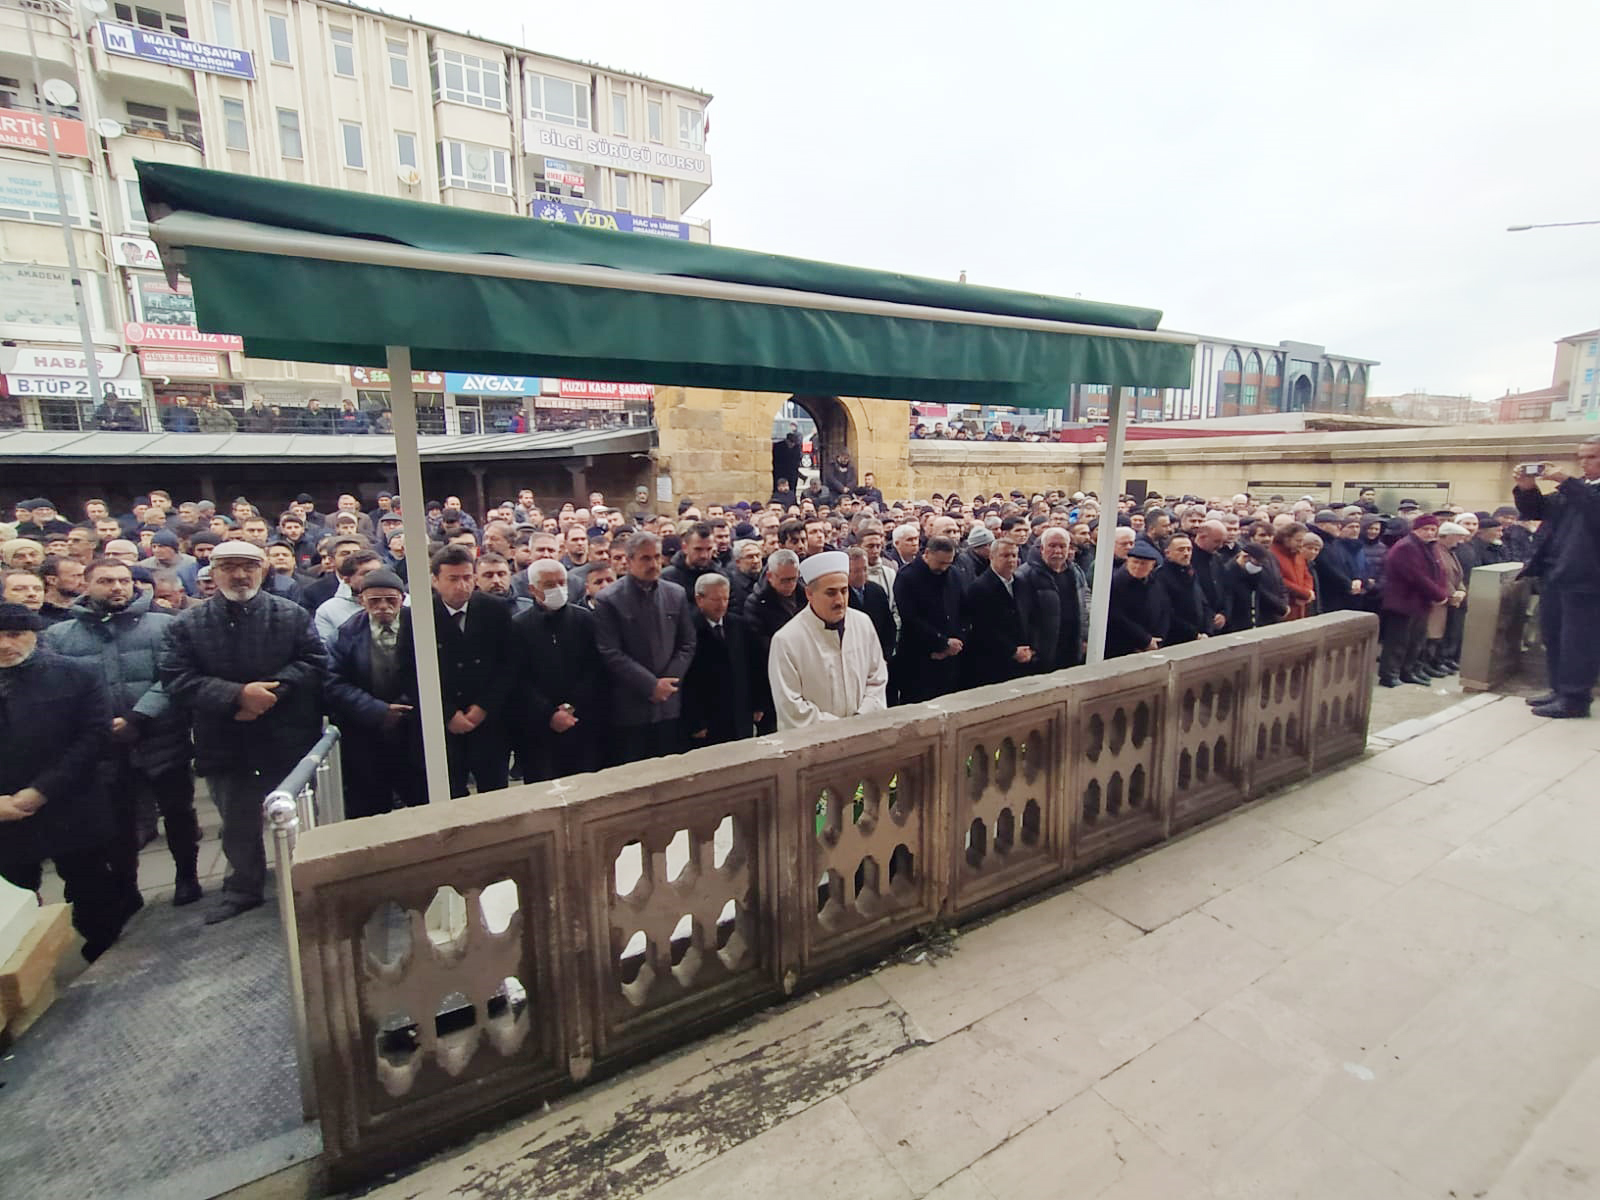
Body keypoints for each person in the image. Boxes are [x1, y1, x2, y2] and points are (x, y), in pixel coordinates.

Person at [159, 541, 327, 923]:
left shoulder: (291, 615)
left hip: (286, 736)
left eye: (248, 566)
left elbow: (314, 662)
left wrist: (269, 694)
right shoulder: (187, 624)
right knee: (236, 823)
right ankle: (244, 889)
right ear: (213, 572)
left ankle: (307, 884)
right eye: (229, 567)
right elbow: (176, 678)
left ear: (263, 569)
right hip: (225, 738)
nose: (239, 575)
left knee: (298, 821)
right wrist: (236, 696)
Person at [46, 558, 202, 907]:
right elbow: (61, 689)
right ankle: (127, 888)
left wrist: (138, 716)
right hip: (104, 744)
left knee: (177, 812)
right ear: (87, 585)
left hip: (161, 736)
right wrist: (101, 724)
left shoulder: (164, 624)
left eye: (123, 580)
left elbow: (173, 676)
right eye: (106, 581)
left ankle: (187, 877)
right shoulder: (60, 636)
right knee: (118, 822)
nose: (117, 587)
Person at [0, 603, 126, 961]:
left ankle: (104, 951)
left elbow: (94, 737)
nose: (5, 644)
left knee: (90, 883)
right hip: (4, 812)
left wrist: (41, 791)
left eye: (14, 634)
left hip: (71, 800)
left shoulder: (77, 674)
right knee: (13, 891)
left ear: (34, 635)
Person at [323, 568, 424, 817]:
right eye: (374, 601)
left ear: (402, 599)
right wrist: (377, 710)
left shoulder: (421, 625)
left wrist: (406, 705)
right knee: (370, 803)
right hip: (366, 730)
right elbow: (333, 682)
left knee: (422, 798)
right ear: (361, 601)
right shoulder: (346, 634)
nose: (383, 607)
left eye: (391, 600)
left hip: (416, 728)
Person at [593, 531, 697, 764]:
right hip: (631, 708)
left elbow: (687, 643)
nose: (653, 564)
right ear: (629, 561)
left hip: (669, 703)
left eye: (657, 557)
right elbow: (610, 652)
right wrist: (650, 685)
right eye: (645, 558)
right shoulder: (609, 600)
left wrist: (668, 682)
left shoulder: (675, 593)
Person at [1514, 439, 1600, 717]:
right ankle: (1559, 689)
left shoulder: (1580, 490)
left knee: (1579, 641)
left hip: (1586, 578)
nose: (1584, 463)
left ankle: (1576, 698)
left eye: (1592, 457)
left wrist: (1566, 481)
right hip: (1556, 571)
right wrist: (1527, 489)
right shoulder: (1579, 488)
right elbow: (1537, 511)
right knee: (1554, 635)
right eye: (1581, 457)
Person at [508, 559, 606, 780]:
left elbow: (594, 669)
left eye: (561, 583)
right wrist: (549, 713)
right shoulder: (518, 626)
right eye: (549, 585)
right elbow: (518, 679)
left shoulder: (585, 620)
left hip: (581, 721)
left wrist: (571, 707)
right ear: (533, 589)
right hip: (539, 728)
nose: (558, 589)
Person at [428, 546, 514, 796]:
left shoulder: (494, 610)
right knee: (451, 795)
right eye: (453, 579)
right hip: (445, 724)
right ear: (435, 580)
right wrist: (447, 713)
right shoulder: (419, 615)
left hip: (489, 720)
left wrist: (483, 707)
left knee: (495, 794)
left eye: (467, 577)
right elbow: (410, 671)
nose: (462, 586)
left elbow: (508, 664)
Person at [768, 551, 888, 729]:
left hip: (864, 731)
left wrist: (861, 717)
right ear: (809, 593)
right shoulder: (786, 640)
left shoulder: (863, 623)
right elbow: (791, 705)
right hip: (816, 743)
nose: (840, 600)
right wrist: (839, 727)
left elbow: (877, 678)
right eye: (831, 593)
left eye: (844, 590)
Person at [680, 572, 761, 746]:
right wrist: (695, 721)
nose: (722, 605)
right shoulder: (689, 631)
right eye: (716, 600)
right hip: (710, 718)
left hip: (740, 711)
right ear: (699, 599)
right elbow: (688, 681)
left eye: (725, 599)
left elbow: (754, 667)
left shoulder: (739, 625)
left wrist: (758, 704)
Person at [1377, 515, 1450, 688]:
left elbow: (1439, 572)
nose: (1429, 532)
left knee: (1416, 640)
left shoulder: (1429, 547)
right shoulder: (1406, 547)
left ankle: (1408, 671)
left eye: (1433, 529)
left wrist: (1441, 591)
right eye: (1425, 529)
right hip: (1403, 601)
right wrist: (1438, 595)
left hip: (1419, 602)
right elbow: (1417, 576)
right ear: (1415, 529)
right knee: (1398, 641)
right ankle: (1390, 674)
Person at [893, 535, 965, 703]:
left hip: (951, 655)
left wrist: (956, 641)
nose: (944, 568)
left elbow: (962, 609)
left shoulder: (953, 574)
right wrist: (942, 643)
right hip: (919, 657)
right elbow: (911, 618)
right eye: (940, 563)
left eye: (948, 563)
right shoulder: (907, 577)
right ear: (926, 553)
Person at [960, 537, 1039, 687]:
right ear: (992, 557)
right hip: (994, 661)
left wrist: (1031, 647)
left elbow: (1031, 617)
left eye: (1014, 556)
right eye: (1005, 555)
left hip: (1024, 656)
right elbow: (983, 628)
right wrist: (1012, 651)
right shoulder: (979, 588)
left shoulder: (1022, 583)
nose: (1011, 560)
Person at [1020, 527, 1082, 672]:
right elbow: (1022, 615)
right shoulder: (1026, 575)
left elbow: (1084, 604)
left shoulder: (1075, 572)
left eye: (1062, 546)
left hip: (1070, 645)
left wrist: (1083, 637)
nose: (1058, 551)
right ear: (1042, 548)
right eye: (1052, 546)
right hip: (1042, 651)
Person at [1105, 542, 1166, 658]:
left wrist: (1158, 639)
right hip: (1125, 646)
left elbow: (1165, 610)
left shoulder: (1155, 582)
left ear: (1152, 565)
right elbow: (1117, 617)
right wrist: (1145, 640)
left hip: (1153, 643)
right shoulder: (1116, 583)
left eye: (1143, 564)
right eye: (1135, 562)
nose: (1138, 567)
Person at [1153, 532, 1211, 645]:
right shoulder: (1160, 576)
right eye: (1181, 550)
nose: (1186, 553)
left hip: (1200, 635)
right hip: (1176, 638)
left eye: (1189, 549)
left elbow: (1202, 601)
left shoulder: (1191, 572)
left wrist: (1208, 629)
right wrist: (1194, 634)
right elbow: (1167, 612)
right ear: (1168, 553)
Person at [846, 547, 897, 664]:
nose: (862, 574)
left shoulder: (876, 590)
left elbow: (889, 626)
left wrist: (885, 655)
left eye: (864, 569)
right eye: (856, 571)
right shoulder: (842, 595)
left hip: (879, 657)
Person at [1269, 523, 1316, 621]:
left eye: (1303, 541)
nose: (1301, 544)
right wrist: (1303, 594)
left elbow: (1307, 575)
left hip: (1301, 606)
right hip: (1286, 608)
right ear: (1286, 539)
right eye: (1298, 541)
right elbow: (1280, 580)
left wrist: (1307, 593)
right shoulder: (1273, 554)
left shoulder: (1297, 553)